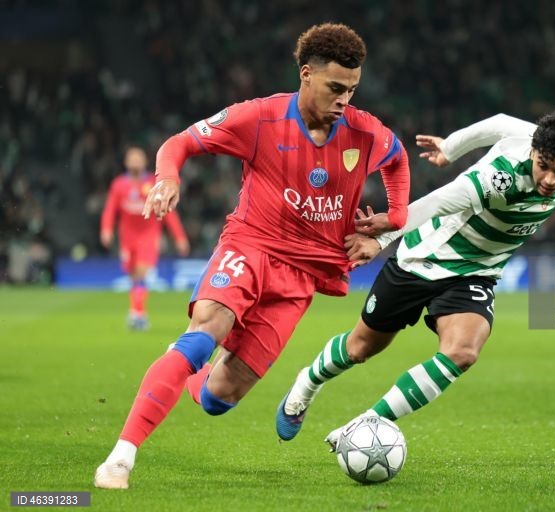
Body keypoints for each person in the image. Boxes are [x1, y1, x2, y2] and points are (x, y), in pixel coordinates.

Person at [94, 23, 410, 489]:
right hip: (251, 246)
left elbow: (399, 159)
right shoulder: (258, 118)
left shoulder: (365, 132)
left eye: (352, 90)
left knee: (220, 396)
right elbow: (179, 143)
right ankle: (121, 457)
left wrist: (394, 219)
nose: (345, 100)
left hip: (303, 277)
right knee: (205, 334)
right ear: (306, 75)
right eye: (335, 88)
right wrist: (168, 178)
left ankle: (182, 369)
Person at [275, 108, 555, 447]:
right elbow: (440, 202)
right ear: (533, 151)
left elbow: (498, 123)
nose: (551, 180)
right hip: (422, 257)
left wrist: (451, 148)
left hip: (476, 272)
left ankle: (369, 423)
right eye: (544, 166)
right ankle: (306, 384)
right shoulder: (500, 179)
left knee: (463, 352)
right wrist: (380, 240)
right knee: (361, 347)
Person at [100, 146, 190, 330]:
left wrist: (179, 237)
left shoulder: (154, 183)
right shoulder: (118, 184)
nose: (135, 161)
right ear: (126, 162)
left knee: (141, 271)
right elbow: (110, 209)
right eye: (132, 158)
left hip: (149, 234)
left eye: (138, 158)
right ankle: (136, 310)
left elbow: (168, 212)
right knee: (133, 275)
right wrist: (106, 229)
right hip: (127, 236)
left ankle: (138, 314)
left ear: (145, 162)